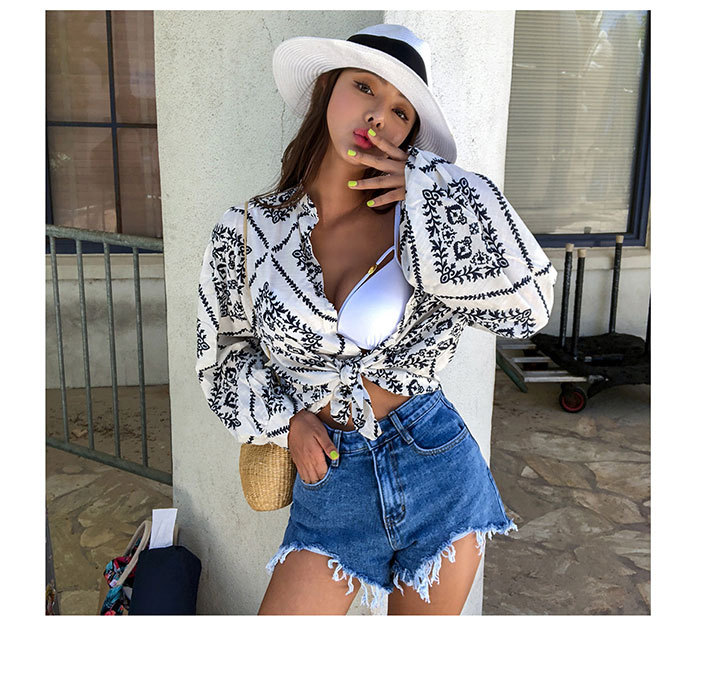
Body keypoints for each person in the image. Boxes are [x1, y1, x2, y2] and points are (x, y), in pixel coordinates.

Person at [196, 24, 558, 615]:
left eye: (400, 112)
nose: (378, 117)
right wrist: (287, 421)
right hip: (331, 478)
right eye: (364, 87)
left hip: (435, 461)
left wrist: (432, 191)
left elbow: (529, 306)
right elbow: (222, 355)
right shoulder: (247, 231)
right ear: (327, 89)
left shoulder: (422, 218)